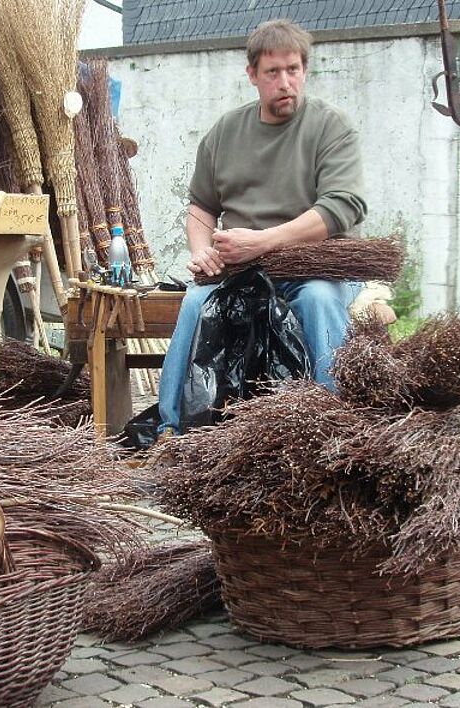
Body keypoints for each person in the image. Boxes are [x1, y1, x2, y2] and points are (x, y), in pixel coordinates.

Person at [157, 19, 368, 435]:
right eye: (273, 72)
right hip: (243, 271)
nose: (285, 82)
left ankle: (336, 428)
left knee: (319, 300)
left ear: (305, 70)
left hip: (317, 269)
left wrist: (264, 242)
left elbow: (342, 206)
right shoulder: (225, 133)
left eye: (293, 69)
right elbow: (201, 206)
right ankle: (171, 431)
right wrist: (201, 250)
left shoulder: (331, 126)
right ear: (252, 74)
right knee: (197, 302)